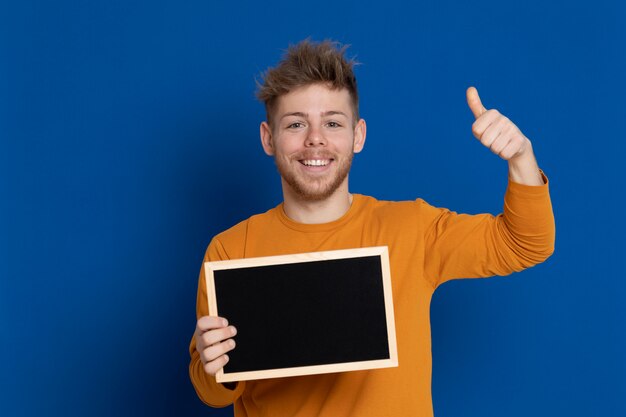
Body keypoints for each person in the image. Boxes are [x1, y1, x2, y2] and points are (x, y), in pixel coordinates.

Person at [188, 39, 555, 416]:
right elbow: (214, 393)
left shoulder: (413, 229)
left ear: (358, 135)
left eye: (332, 122)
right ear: (269, 138)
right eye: (296, 124)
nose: (315, 139)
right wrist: (214, 363)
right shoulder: (232, 250)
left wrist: (521, 158)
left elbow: (525, 244)